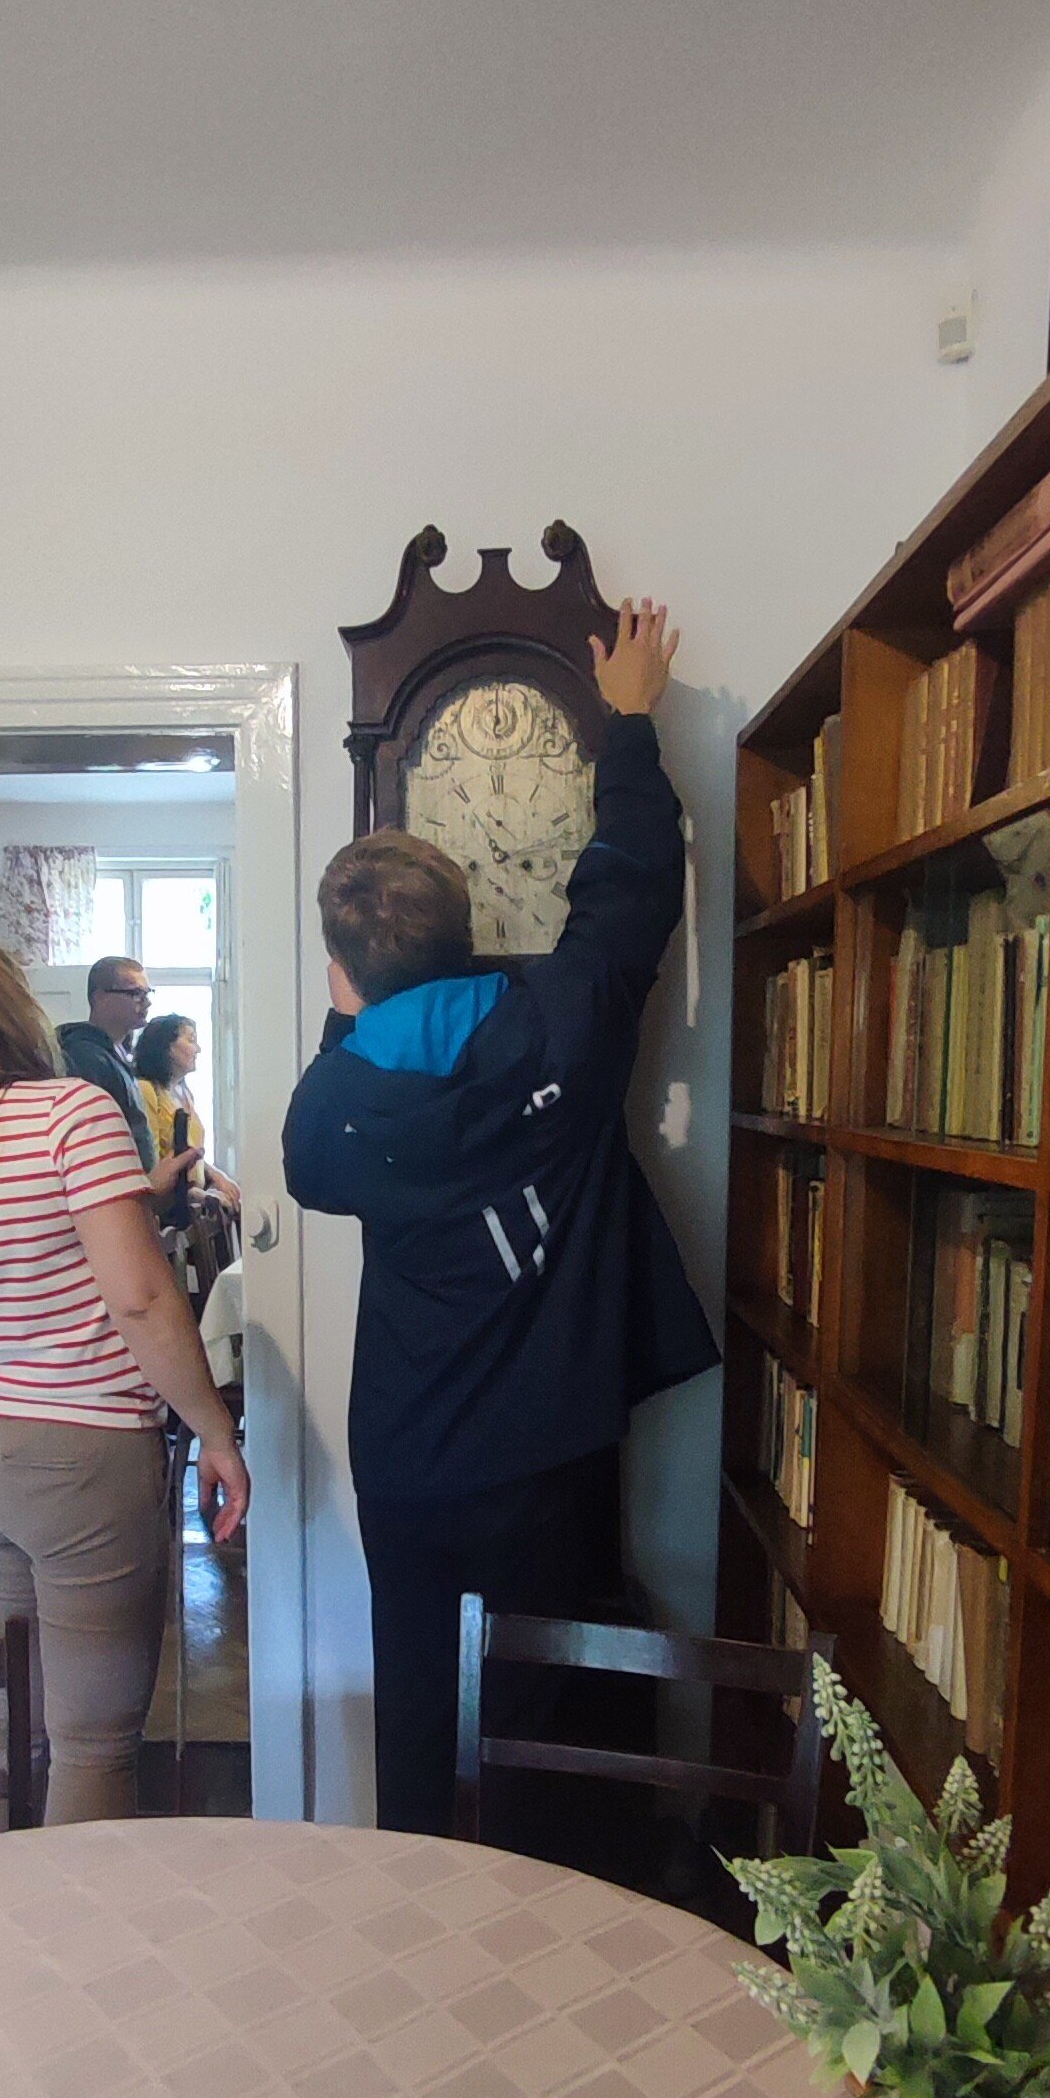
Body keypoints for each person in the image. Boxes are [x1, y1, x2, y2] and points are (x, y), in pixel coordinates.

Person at [283, 599, 716, 1835]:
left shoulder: (333, 1110)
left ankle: (425, 1909)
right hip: (548, 1459)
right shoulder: (562, 1028)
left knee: (420, 1709)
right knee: (550, 1720)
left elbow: (313, 1162)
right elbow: (628, 885)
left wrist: (352, 1020)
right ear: (470, 934)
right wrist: (627, 724)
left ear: (343, 975)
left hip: (409, 1465)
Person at [0, 898, 249, 1826]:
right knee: (92, 1742)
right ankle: (77, 1924)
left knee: (3, 1720)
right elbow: (141, 1298)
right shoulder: (72, 1113)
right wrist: (215, 1431)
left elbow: (14, 1266)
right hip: (79, 1454)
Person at [58, 956, 190, 1213]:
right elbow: (93, 1145)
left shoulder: (116, 1055)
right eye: (135, 993)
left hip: (135, 1196)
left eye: (148, 993)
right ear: (100, 997)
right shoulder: (85, 1056)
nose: (146, 1002)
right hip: (107, 1203)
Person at [134, 1013, 241, 1223]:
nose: (197, 1049)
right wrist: (193, 1193)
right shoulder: (147, 1090)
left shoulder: (185, 1093)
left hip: (192, 1206)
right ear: (167, 1047)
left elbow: (190, 1151)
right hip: (167, 1211)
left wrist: (216, 1175)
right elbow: (152, 1163)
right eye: (191, 1040)